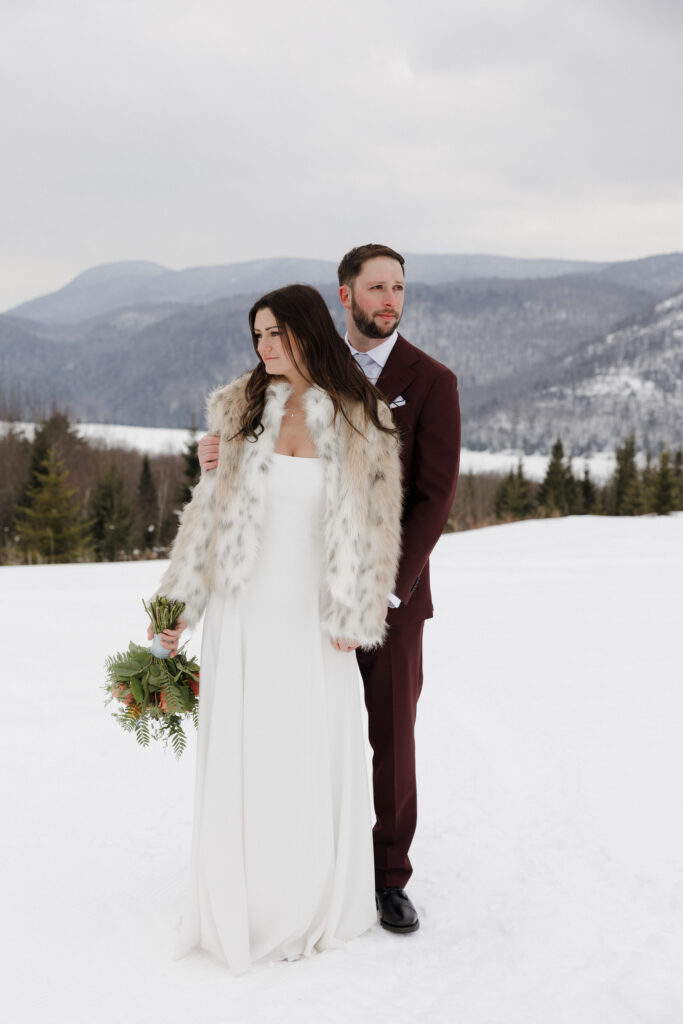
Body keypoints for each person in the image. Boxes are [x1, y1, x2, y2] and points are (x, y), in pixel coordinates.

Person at [199, 244, 461, 934]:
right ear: (343, 297)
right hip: (297, 590)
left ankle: (388, 878)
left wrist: (383, 591)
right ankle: (311, 862)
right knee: (313, 731)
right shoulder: (313, 368)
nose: (390, 300)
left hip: (389, 595)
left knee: (390, 740)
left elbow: (431, 498)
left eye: (399, 288)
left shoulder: (431, 380)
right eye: (376, 287)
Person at [151, 283, 403, 974]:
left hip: (311, 612)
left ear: (306, 331)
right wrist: (172, 613)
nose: (263, 347)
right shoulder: (239, 406)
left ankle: (306, 895)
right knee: (246, 746)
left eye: (274, 333)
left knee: (304, 744)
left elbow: (379, 521)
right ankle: (245, 897)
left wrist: (358, 608)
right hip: (242, 607)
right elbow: (207, 515)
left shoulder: (361, 414)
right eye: (255, 335)